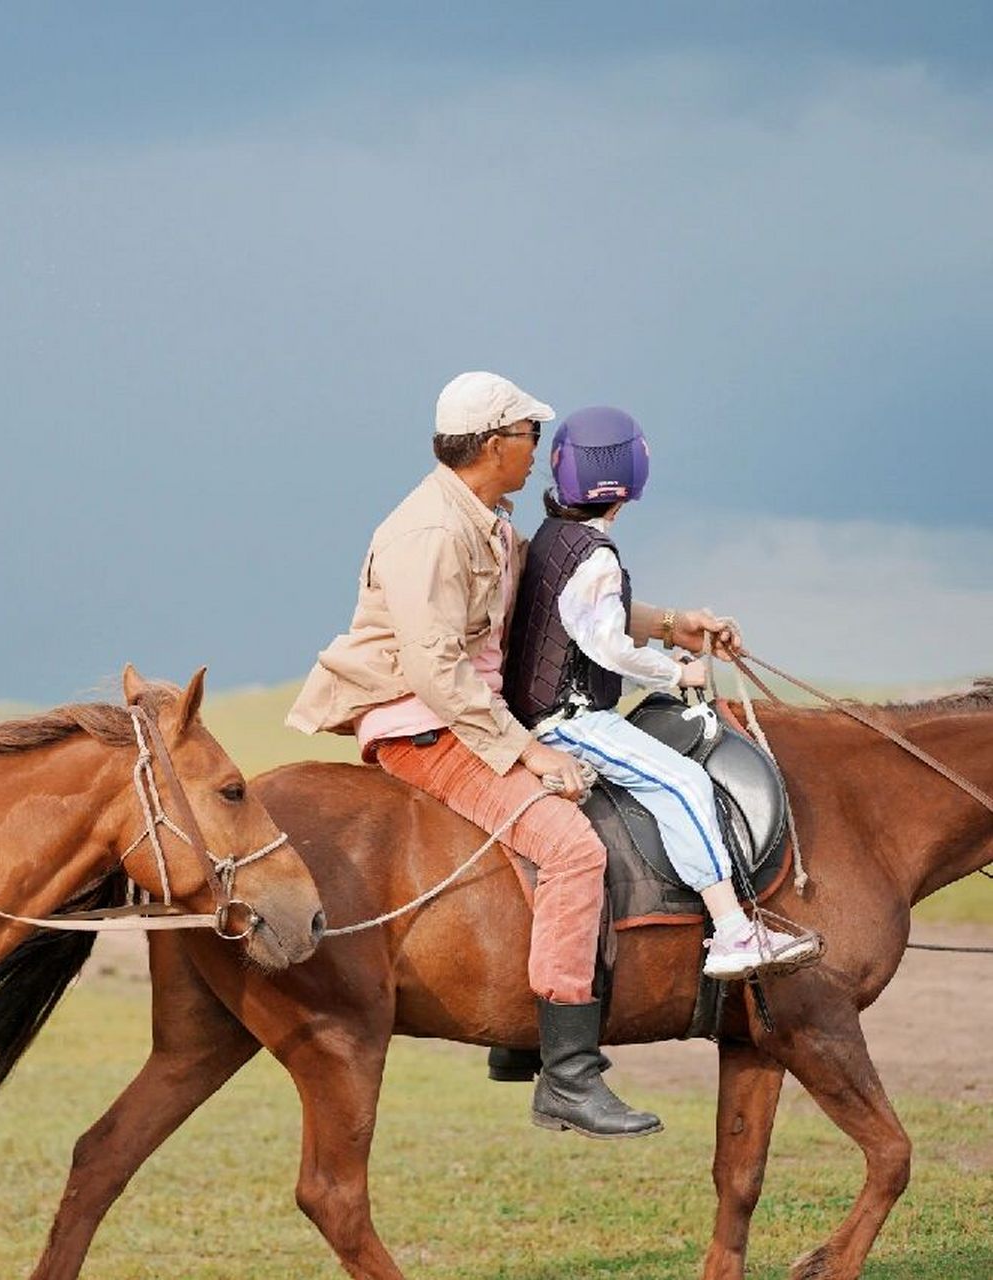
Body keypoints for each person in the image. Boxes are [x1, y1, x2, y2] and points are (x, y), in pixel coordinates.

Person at [287, 371, 732, 1139]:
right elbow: (434, 671)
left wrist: (671, 625)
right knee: (568, 851)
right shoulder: (431, 533)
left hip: (465, 714)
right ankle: (566, 1073)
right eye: (529, 438)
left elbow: (564, 601)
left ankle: (514, 1037)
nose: (539, 454)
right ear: (495, 444)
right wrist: (526, 752)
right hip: (428, 723)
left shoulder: (484, 518)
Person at [503, 405, 821, 980]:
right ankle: (730, 931)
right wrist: (677, 675)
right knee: (684, 781)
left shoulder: (553, 539)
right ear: (631, 484)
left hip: (550, 709)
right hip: (570, 721)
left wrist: (672, 635)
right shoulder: (596, 556)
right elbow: (607, 647)